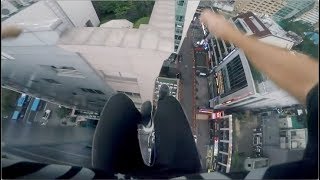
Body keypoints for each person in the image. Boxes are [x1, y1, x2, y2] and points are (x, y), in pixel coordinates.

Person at [2, 9, 318, 179]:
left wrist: (232, 34)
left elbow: (307, 77)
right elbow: (308, 79)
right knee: (152, 104)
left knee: (127, 105)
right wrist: (232, 35)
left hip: (111, 172)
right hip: (153, 169)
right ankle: (148, 118)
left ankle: (147, 118)